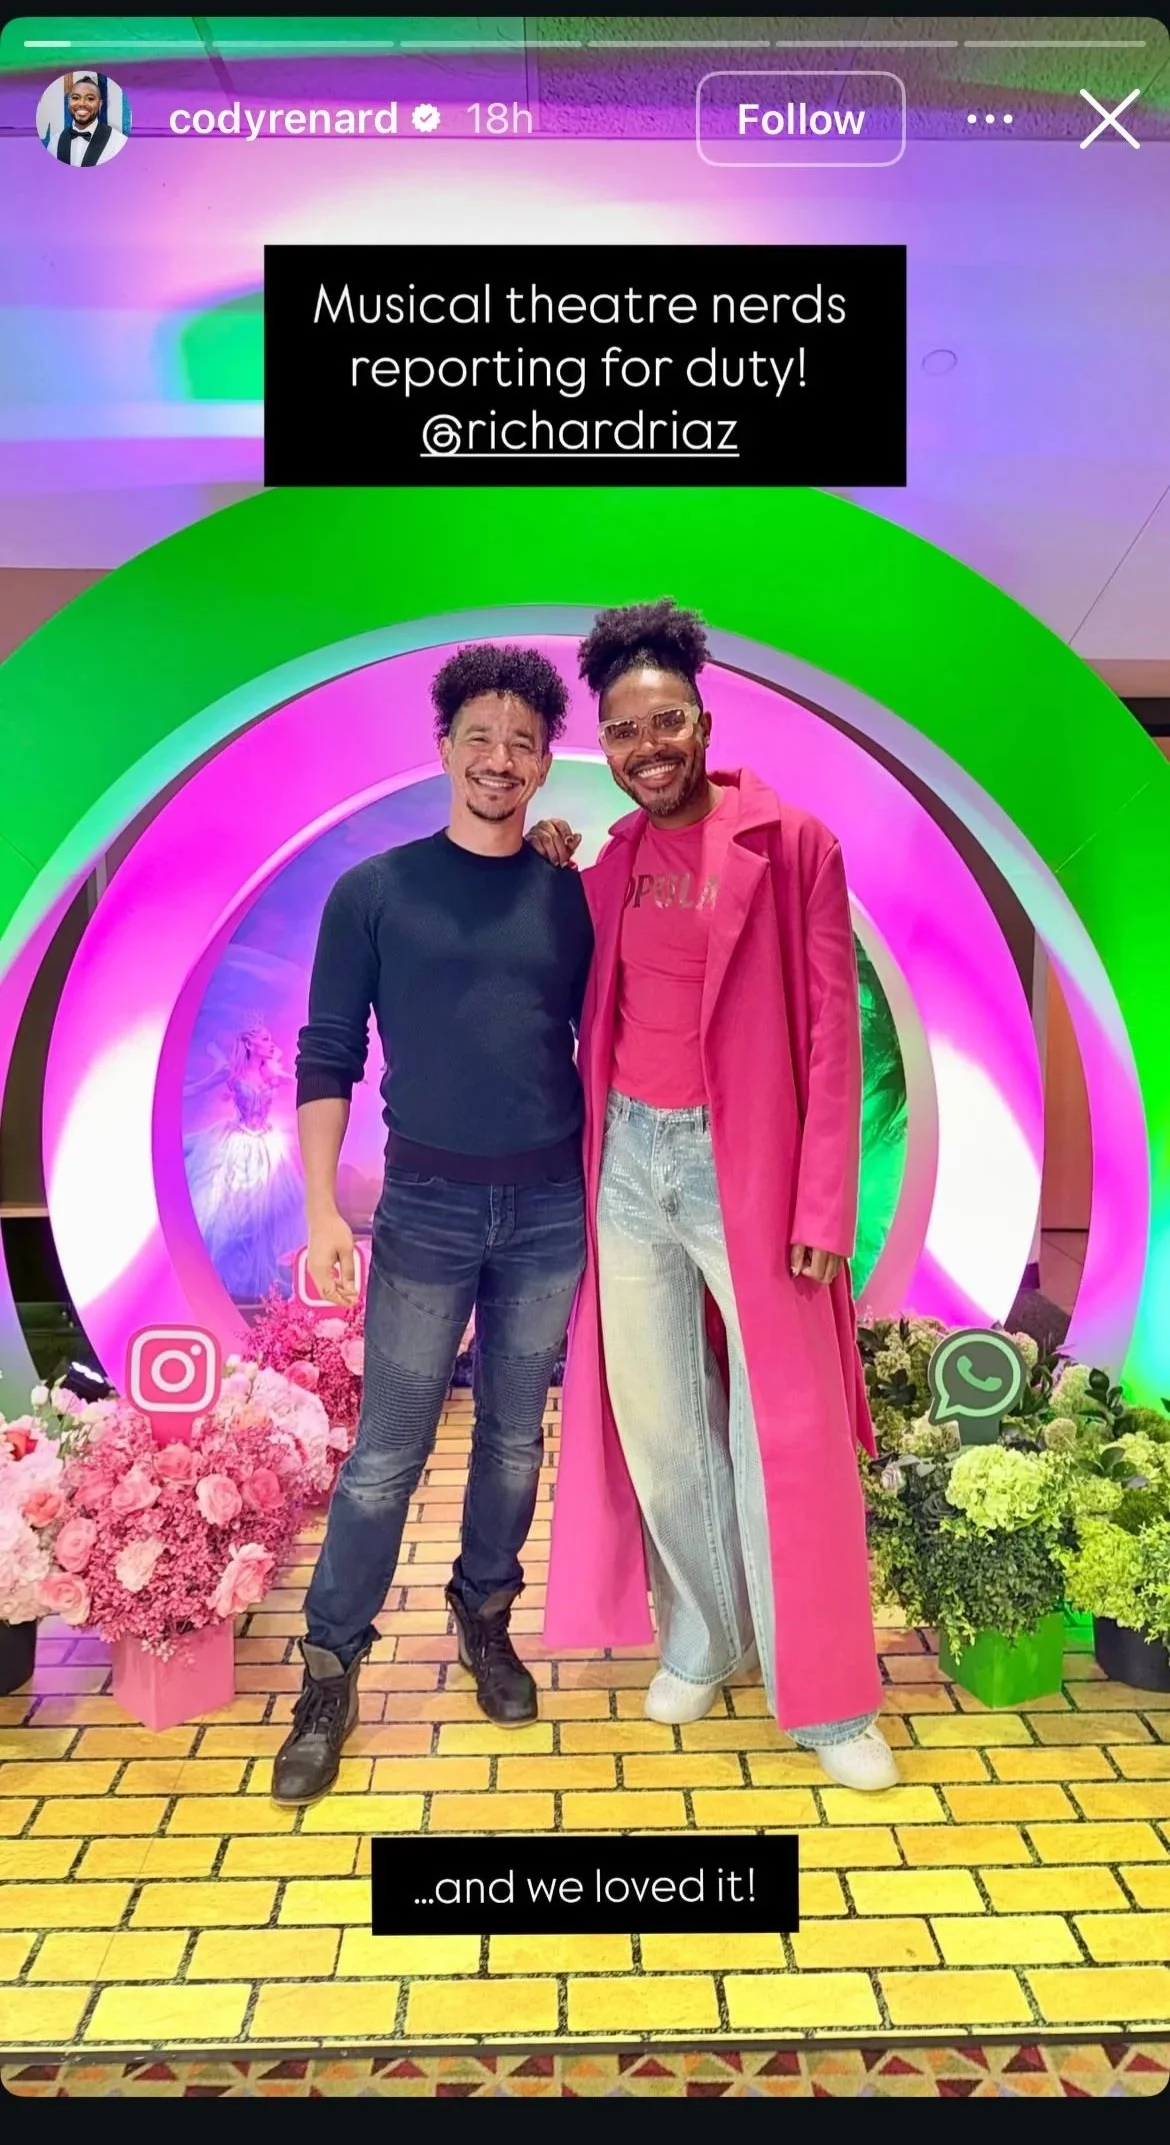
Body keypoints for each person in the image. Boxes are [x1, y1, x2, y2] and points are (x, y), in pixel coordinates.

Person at [531, 600, 898, 1791]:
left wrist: (823, 1205)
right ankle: (706, 1629)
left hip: (746, 1167)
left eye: (665, 721)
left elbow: (833, 1041)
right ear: (604, 741)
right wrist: (546, 863)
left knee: (785, 1425)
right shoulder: (610, 866)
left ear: (702, 718)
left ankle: (829, 1696)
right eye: (622, 730)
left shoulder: (792, 845)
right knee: (661, 1420)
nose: (646, 747)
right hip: (628, 1167)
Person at [272, 646, 592, 1805]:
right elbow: (327, 1053)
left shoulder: (569, 893)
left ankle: (484, 1615)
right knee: (386, 1454)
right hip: (425, 1208)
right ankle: (329, 1669)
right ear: (445, 746)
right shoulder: (375, 892)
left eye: (523, 743)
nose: (500, 759)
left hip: (550, 1207)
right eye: (481, 737)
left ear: (545, 763)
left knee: (514, 1440)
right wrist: (323, 1207)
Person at [183, 1024, 304, 1302]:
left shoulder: (270, 1072)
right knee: (234, 1215)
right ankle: (229, 1277)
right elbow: (198, 1087)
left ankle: (264, 1281)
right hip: (237, 1144)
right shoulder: (232, 1073)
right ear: (250, 1044)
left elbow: (302, 1081)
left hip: (265, 1144)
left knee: (269, 1214)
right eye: (265, 1039)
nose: (271, 1043)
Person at [52, 74, 127, 166]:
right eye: (75, 98)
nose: (82, 103)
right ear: (68, 102)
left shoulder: (118, 143)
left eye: (90, 99)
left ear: (100, 105)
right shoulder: (55, 141)